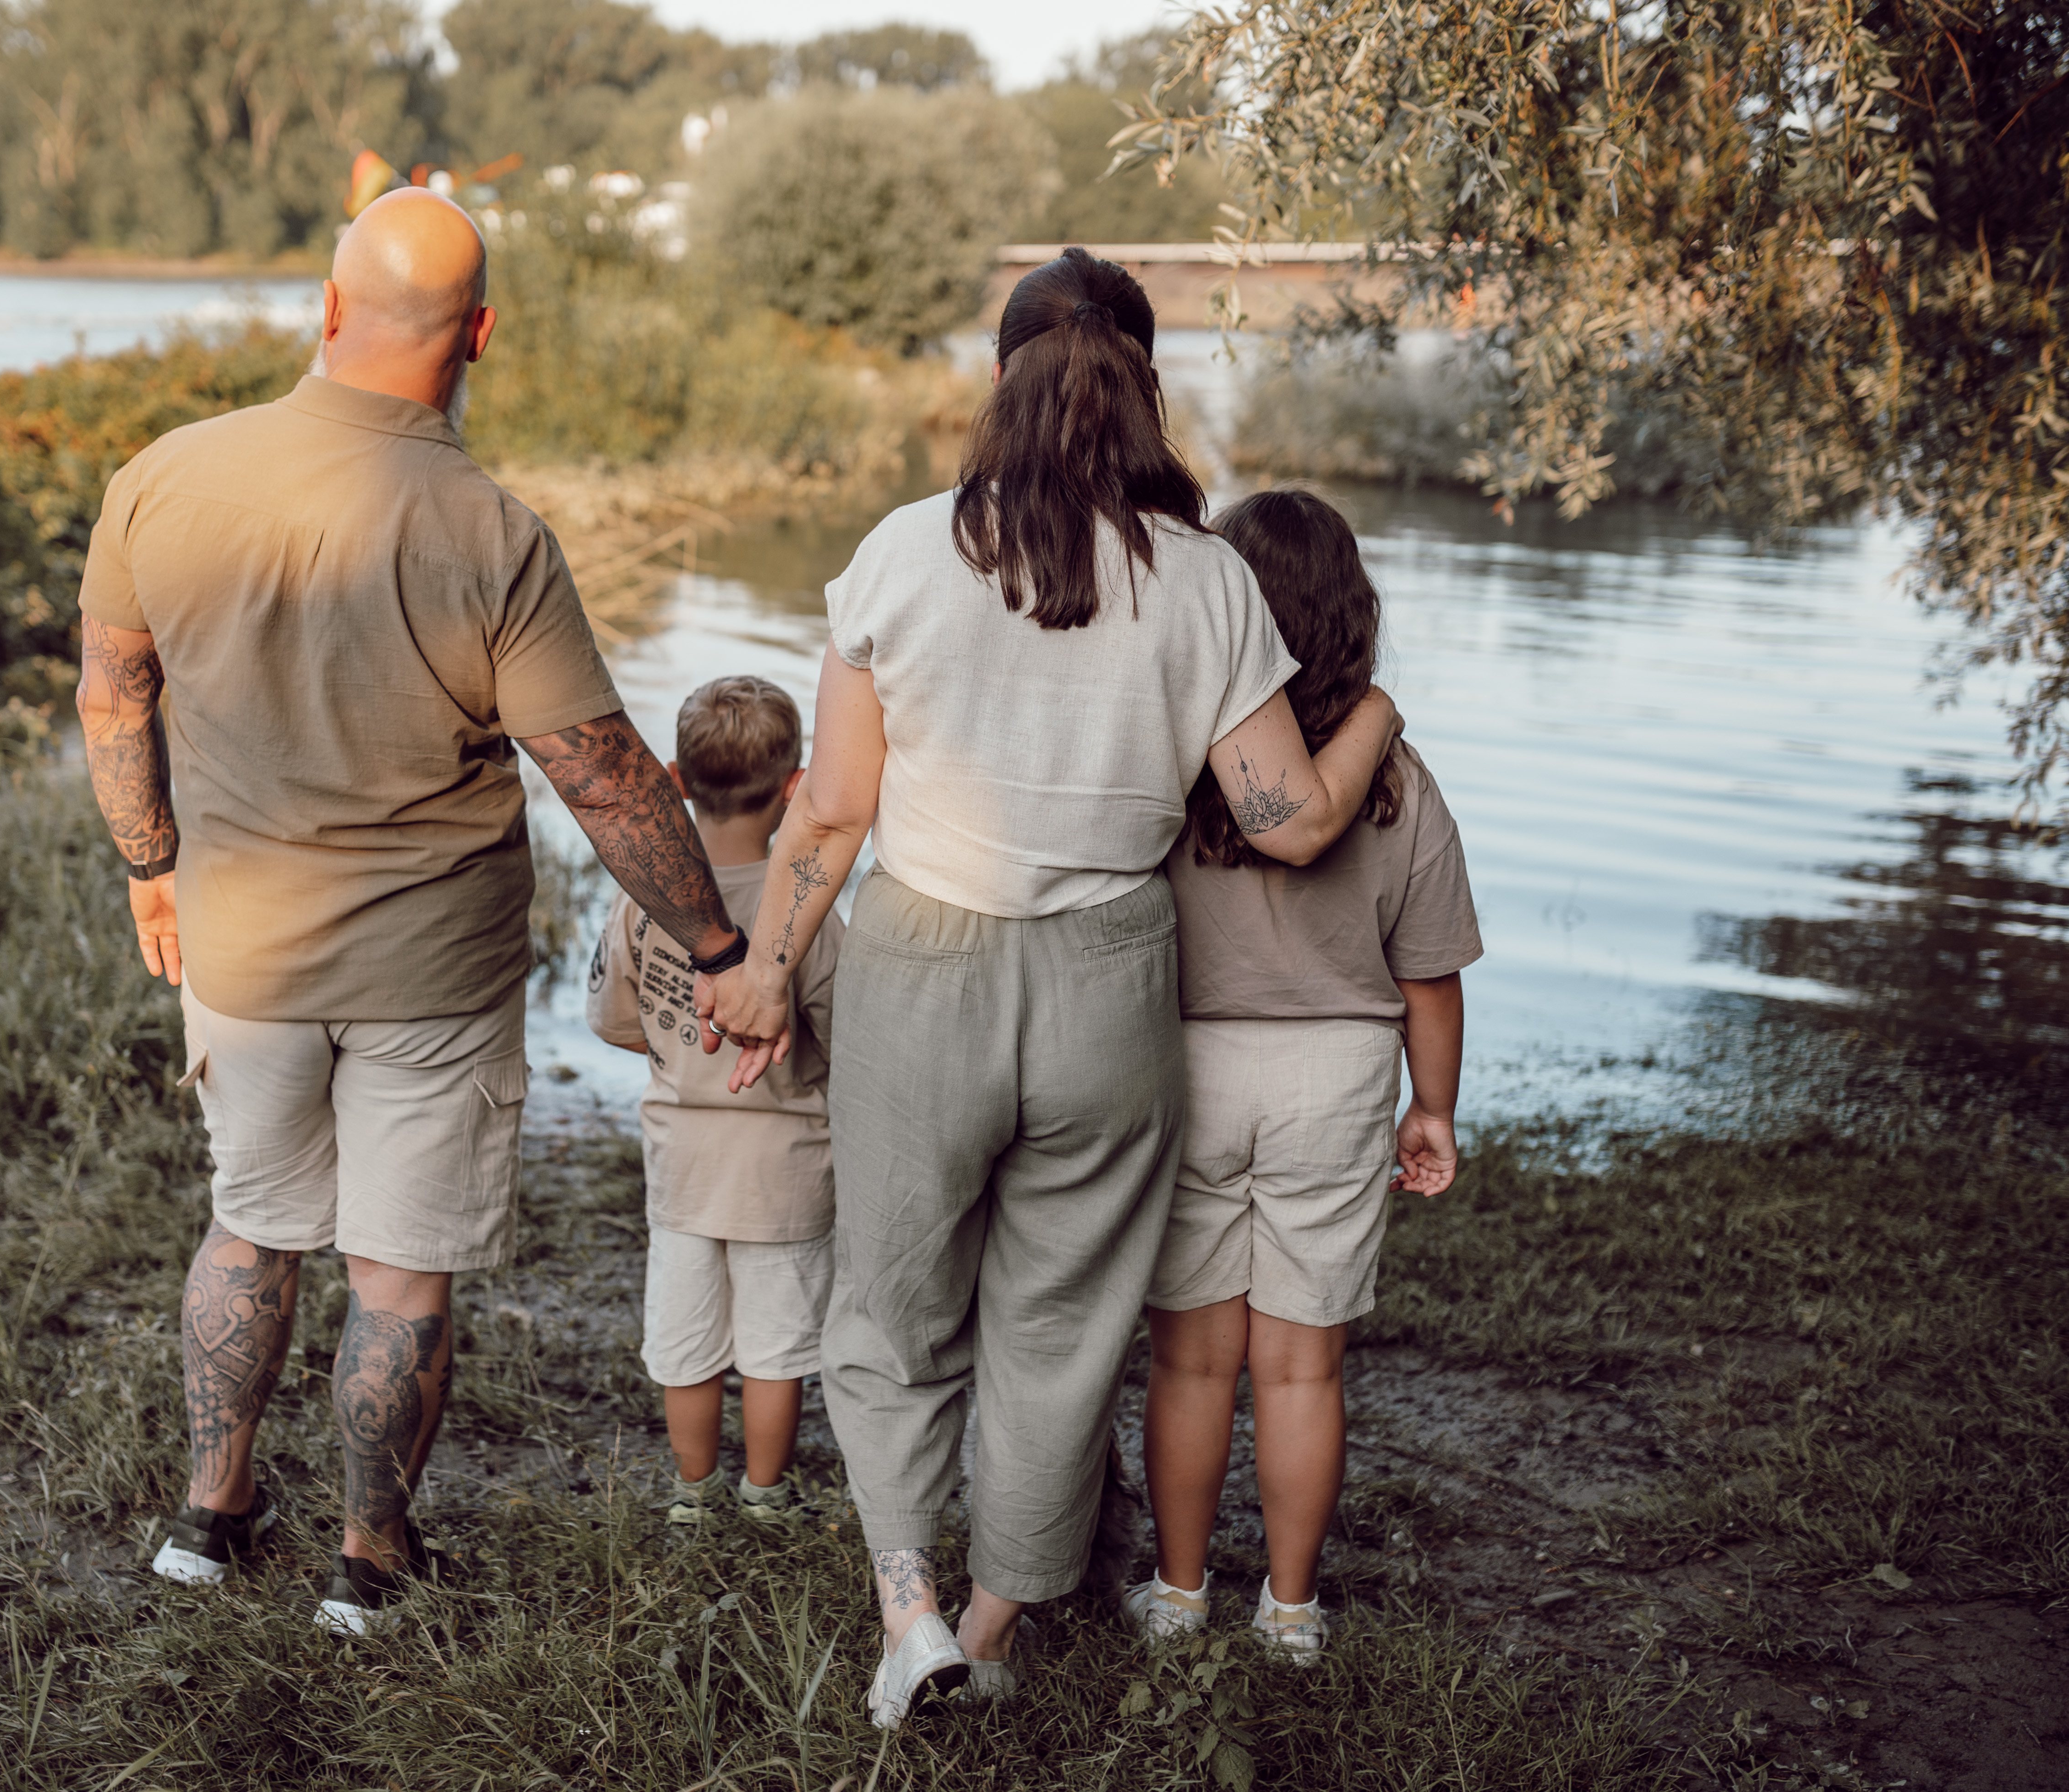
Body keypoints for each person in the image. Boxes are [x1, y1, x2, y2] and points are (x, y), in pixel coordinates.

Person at [700, 248, 1403, 1728]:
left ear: (998, 375)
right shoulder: (1207, 580)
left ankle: (909, 1609)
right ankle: (994, 1621)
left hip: (921, 964)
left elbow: (826, 810)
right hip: (1106, 982)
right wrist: (1376, 715)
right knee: (1064, 1318)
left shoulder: (899, 552)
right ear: (1143, 385)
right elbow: (1286, 822)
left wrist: (767, 973)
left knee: (891, 1311)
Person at [73, 188, 748, 1636]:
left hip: (242, 946)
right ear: (481, 335)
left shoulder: (163, 475)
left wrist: (150, 861)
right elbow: (602, 773)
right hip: (429, 970)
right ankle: (367, 1556)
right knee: (397, 1265)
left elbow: (110, 691)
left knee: (248, 1226)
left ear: (325, 309)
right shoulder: (490, 532)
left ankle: (209, 1510)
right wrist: (714, 937)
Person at [1124, 487, 1481, 1662]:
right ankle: (1288, 1610)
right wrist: (1429, 1104)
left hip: (1188, 1061)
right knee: (1298, 1364)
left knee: (1189, 1359)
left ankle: (1177, 1596)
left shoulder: (1176, 758)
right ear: (1350, 617)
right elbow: (1428, 977)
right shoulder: (1396, 780)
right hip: (1334, 1074)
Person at [585, 676, 845, 1528]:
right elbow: (846, 1042)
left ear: (671, 779)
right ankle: (765, 1493)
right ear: (794, 786)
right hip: (789, 1169)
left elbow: (617, 1021)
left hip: (685, 1166)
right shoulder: (807, 916)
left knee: (687, 1341)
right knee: (775, 1348)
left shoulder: (641, 902)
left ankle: (693, 1494)